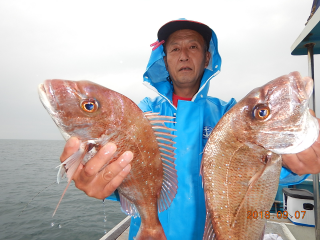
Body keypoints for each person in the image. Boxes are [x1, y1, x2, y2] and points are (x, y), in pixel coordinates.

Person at [60, 19, 320, 239]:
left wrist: (294, 162)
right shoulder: (138, 116)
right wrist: (100, 180)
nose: (184, 55)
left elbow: (268, 170)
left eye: (193, 46)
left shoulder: (231, 114)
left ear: (207, 57)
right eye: (175, 48)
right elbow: (126, 178)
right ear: (164, 58)